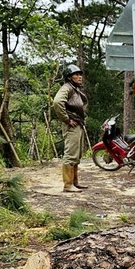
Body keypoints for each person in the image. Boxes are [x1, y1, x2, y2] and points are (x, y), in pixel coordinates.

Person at [53, 64, 89, 192]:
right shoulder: (67, 88)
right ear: (69, 77)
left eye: (80, 74)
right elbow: (57, 102)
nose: (79, 77)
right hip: (71, 125)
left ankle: (74, 182)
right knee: (70, 154)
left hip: (78, 124)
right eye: (76, 74)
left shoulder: (75, 88)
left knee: (77, 154)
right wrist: (67, 119)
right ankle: (68, 185)